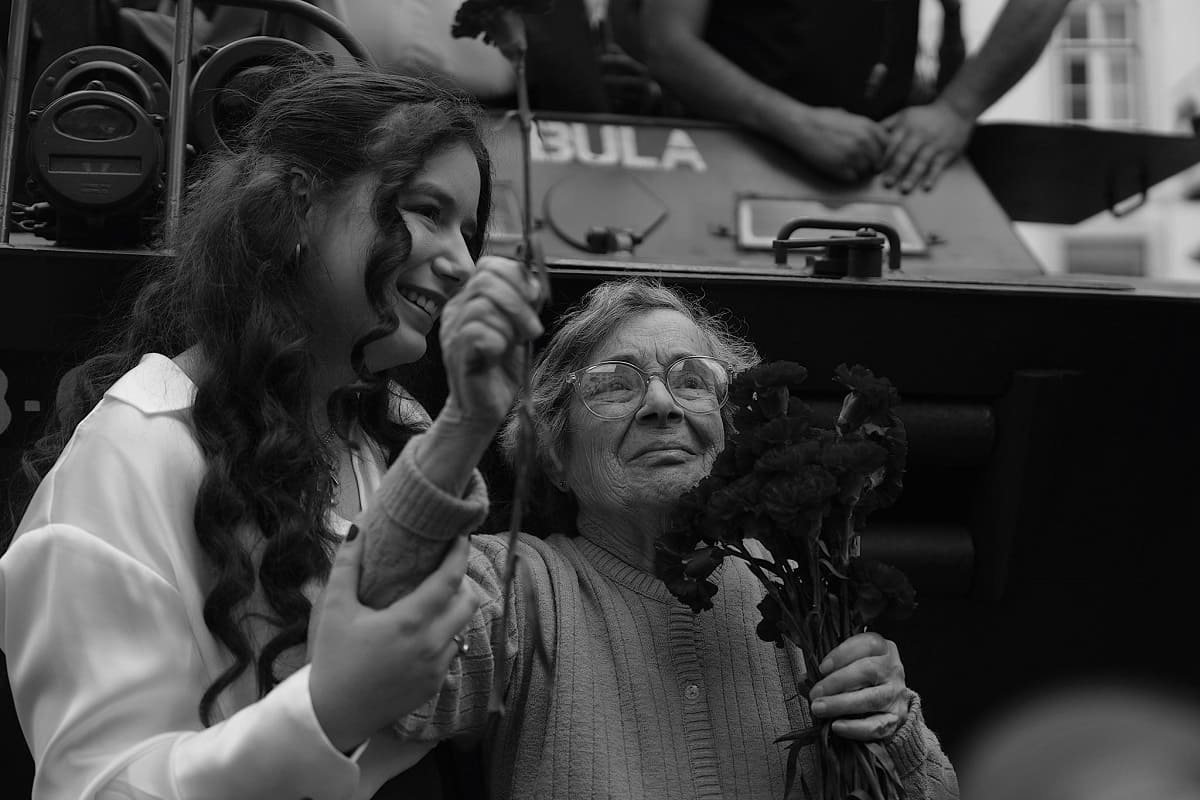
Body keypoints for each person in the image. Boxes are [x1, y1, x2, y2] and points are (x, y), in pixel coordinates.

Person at [0, 64, 544, 799]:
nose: (463, 263)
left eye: (471, 232)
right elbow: (96, 785)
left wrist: (470, 423)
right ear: (295, 208)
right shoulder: (133, 451)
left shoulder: (391, 430)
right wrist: (328, 712)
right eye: (426, 210)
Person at [352, 278, 960, 799]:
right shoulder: (520, 586)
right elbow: (373, 670)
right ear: (554, 456)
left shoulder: (798, 597)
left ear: (729, 429)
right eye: (616, 384)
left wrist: (892, 724)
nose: (662, 405)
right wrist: (461, 428)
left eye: (692, 379)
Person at [639, 0, 1072, 188]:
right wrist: (794, 122)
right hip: (718, 164)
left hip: (883, 172)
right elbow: (665, 41)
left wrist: (957, 110)